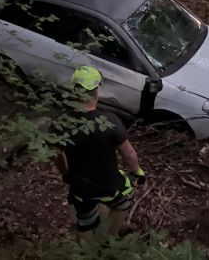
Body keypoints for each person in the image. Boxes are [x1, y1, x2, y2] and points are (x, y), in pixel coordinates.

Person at [54, 66, 146, 239]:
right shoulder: (109, 121)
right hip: (110, 184)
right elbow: (129, 154)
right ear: (96, 90)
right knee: (125, 199)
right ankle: (110, 237)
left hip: (80, 187)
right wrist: (137, 172)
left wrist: (66, 174)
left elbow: (58, 156)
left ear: (75, 90)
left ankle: (87, 252)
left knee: (84, 221)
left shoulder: (61, 123)